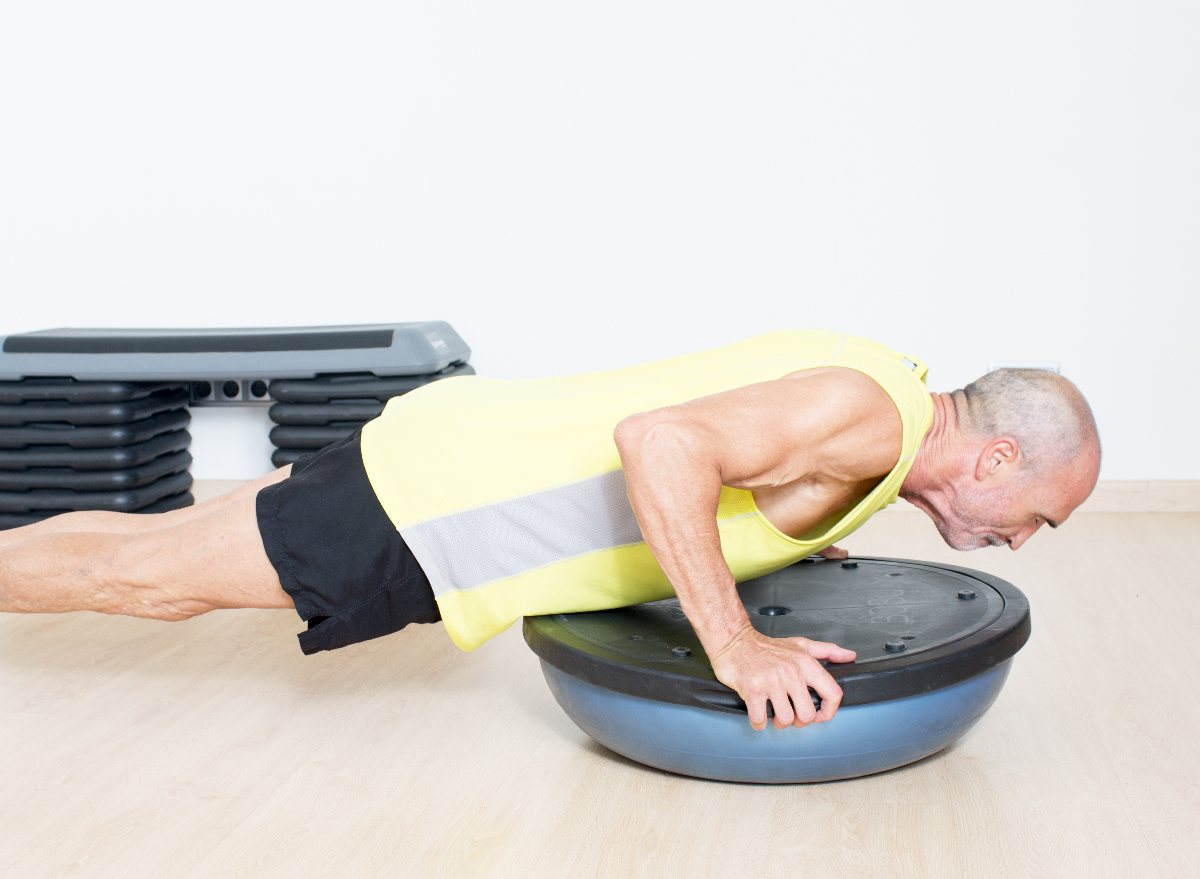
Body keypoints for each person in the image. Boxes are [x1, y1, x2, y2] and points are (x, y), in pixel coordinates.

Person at [0, 330, 1100, 733]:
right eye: (1036, 515)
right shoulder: (871, 417)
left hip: (448, 457)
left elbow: (740, 457)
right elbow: (662, 442)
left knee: (150, 550)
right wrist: (734, 644)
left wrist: (783, 540)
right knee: (147, 584)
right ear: (998, 458)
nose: (1021, 541)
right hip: (429, 511)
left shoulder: (884, 402)